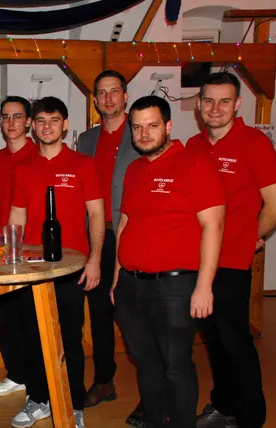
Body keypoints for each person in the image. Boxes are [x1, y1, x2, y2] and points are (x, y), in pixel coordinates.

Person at [112, 95, 226, 428]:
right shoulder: (134, 170)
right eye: (137, 127)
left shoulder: (194, 163)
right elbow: (125, 223)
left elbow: (214, 226)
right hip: (131, 286)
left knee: (176, 366)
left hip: (175, 287)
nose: (144, 133)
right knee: (146, 363)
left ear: (168, 126)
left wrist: (204, 287)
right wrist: (118, 277)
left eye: (152, 125)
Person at [186, 72, 276, 428]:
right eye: (209, 100)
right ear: (198, 104)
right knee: (213, 342)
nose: (215, 108)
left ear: (237, 104)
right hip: (196, 260)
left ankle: (251, 417)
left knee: (235, 343)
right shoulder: (193, 145)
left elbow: (274, 204)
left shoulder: (254, 143)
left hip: (232, 263)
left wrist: (254, 236)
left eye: (224, 101)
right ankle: (223, 405)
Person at [8, 96, 104, 428]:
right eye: (41, 120)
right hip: (31, 269)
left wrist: (95, 260)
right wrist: (12, 261)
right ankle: (38, 399)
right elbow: (17, 217)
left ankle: (73, 403)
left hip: (71, 269)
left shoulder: (83, 164)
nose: (47, 126)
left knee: (70, 339)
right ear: (33, 126)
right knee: (33, 337)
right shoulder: (23, 168)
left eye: (54, 120)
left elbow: (96, 215)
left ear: (65, 124)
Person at [77, 70, 139, 409]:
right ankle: (104, 380)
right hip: (97, 237)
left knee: (132, 313)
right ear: (96, 100)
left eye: (114, 91)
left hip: (134, 235)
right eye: (102, 93)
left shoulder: (141, 131)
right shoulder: (86, 140)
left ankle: (153, 389)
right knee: (99, 312)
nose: (108, 98)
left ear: (125, 96)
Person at [0, 95, 37, 397]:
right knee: (7, 317)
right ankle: (16, 374)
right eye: (6, 116)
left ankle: (36, 379)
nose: (11, 122)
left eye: (17, 116)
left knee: (30, 317)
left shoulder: (38, 155)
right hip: (1, 250)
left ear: (28, 121)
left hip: (29, 250)